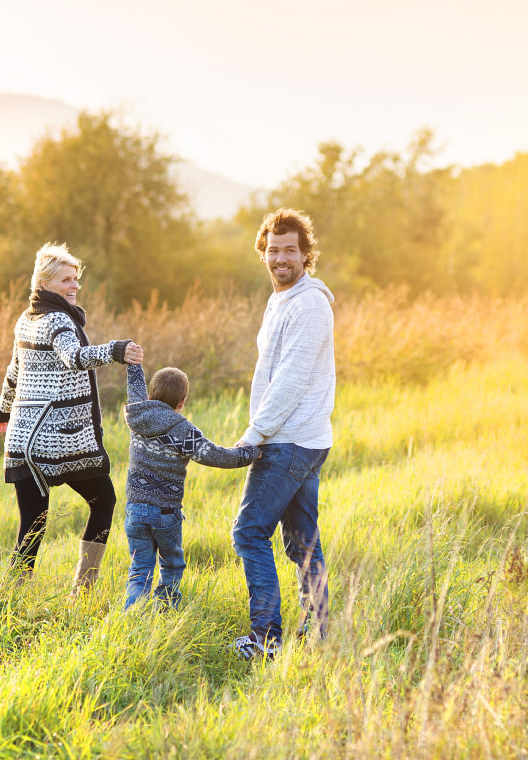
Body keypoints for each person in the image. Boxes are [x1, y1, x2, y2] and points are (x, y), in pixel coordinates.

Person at [0, 242, 143, 591]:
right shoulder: (58, 319)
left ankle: (14, 593)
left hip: (22, 439)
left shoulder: (27, 318)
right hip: (58, 438)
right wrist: (115, 350)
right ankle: (84, 587)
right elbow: (72, 357)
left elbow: (14, 370)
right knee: (103, 501)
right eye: (65, 280)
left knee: (33, 521)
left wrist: (3, 409)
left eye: (75, 279)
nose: (74, 286)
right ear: (44, 284)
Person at [231, 208, 336, 661]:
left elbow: (290, 380)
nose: (280, 258)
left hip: (291, 440)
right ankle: (321, 635)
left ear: (306, 254)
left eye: (290, 250)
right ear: (263, 254)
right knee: (301, 543)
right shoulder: (281, 300)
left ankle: (266, 640)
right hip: (298, 438)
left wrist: (254, 435)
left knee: (249, 532)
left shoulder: (310, 303)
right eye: (273, 250)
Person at [122, 363, 260, 609]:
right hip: (165, 513)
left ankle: (132, 617)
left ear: (150, 396)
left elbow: (134, 387)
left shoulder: (137, 414)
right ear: (182, 402)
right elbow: (216, 456)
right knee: (171, 564)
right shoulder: (182, 430)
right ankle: (165, 611)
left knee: (140, 567)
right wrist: (251, 453)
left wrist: (135, 364)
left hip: (135, 510)